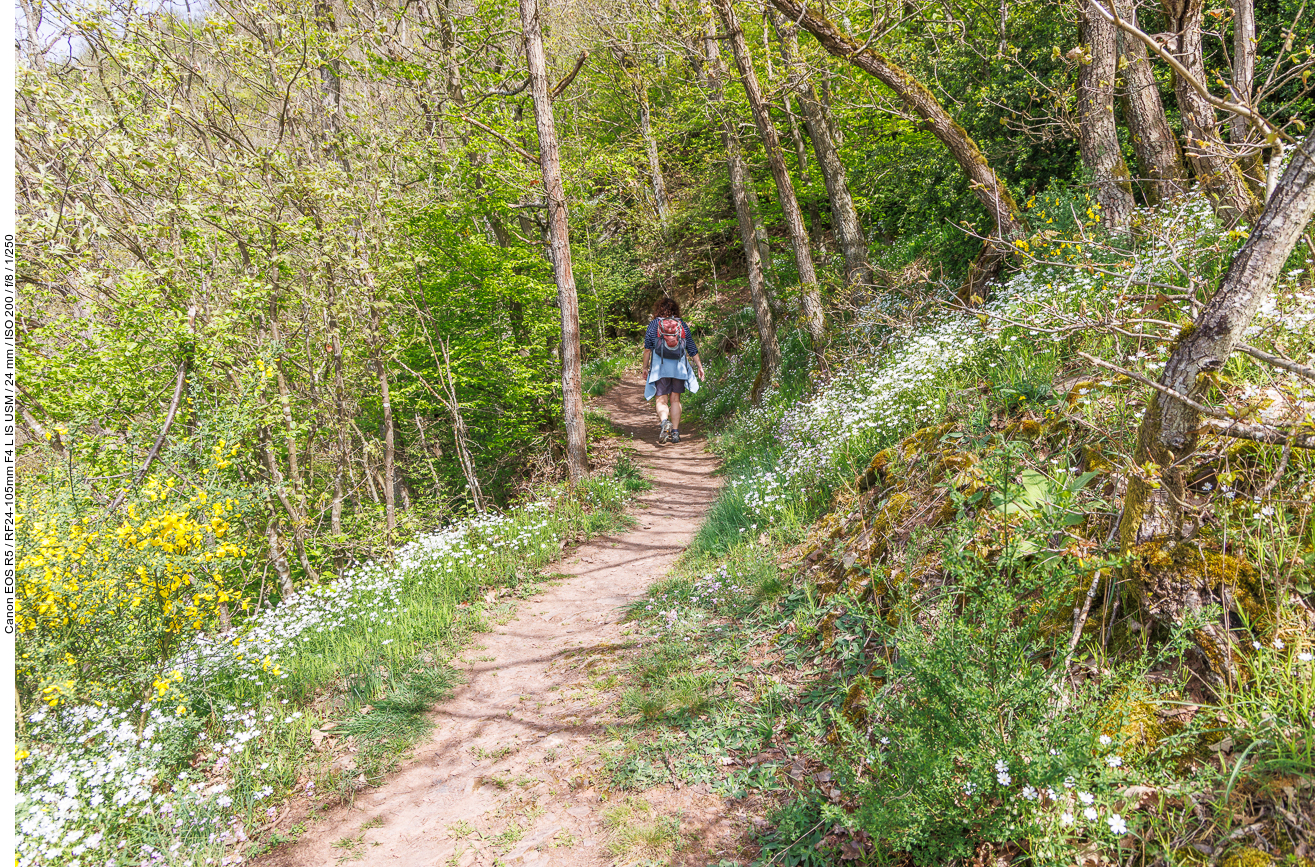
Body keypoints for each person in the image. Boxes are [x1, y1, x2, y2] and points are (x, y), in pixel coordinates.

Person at [642, 297, 705, 444]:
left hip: (659, 368)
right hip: (679, 368)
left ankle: (665, 422)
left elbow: (647, 349)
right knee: (675, 400)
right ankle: (675, 433)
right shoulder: (681, 324)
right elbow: (691, 348)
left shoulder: (654, 324)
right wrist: (699, 366)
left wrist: (645, 368)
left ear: (658, 309)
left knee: (661, 400)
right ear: (675, 310)